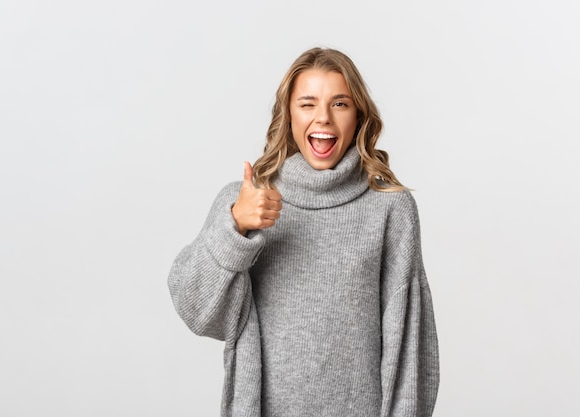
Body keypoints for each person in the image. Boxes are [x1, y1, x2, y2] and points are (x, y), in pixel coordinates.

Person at [168, 47, 439, 417]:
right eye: (307, 104)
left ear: (358, 115)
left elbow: (411, 348)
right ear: (289, 114)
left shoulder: (389, 208)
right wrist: (235, 228)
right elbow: (197, 312)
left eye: (340, 104)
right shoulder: (247, 201)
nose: (323, 118)